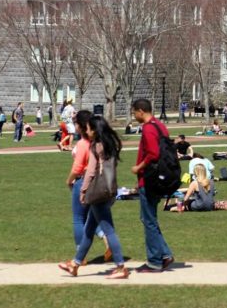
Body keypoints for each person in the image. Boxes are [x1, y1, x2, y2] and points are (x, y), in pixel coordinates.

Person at [59, 114, 129, 279]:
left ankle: (120, 267)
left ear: (94, 130)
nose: (87, 131)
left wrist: (83, 191)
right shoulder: (110, 144)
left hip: (97, 192)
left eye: (89, 128)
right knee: (89, 229)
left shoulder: (96, 146)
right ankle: (75, 264)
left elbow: (90, 172)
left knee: (109, 230)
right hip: (108, 190)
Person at [129, 98, 174, 273]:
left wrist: (137, 168)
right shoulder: (160, 125)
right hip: (159, 178)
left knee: (148, 220)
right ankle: (165, 254)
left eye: (134, 112)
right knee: (149, 219)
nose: (134, 115)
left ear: (141, 111)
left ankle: (154, 261)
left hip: (149, 180)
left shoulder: (148, 129)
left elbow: (153, 154)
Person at [65, 111, 95, 249]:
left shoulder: (83, 143)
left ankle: (80, 252)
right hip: (96, 181)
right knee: (94, 217)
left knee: (78, 219)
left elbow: (77, 168)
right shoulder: (97, 141)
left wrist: (69, 180)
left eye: (76, 123)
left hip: (82, 180)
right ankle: (109, 243)